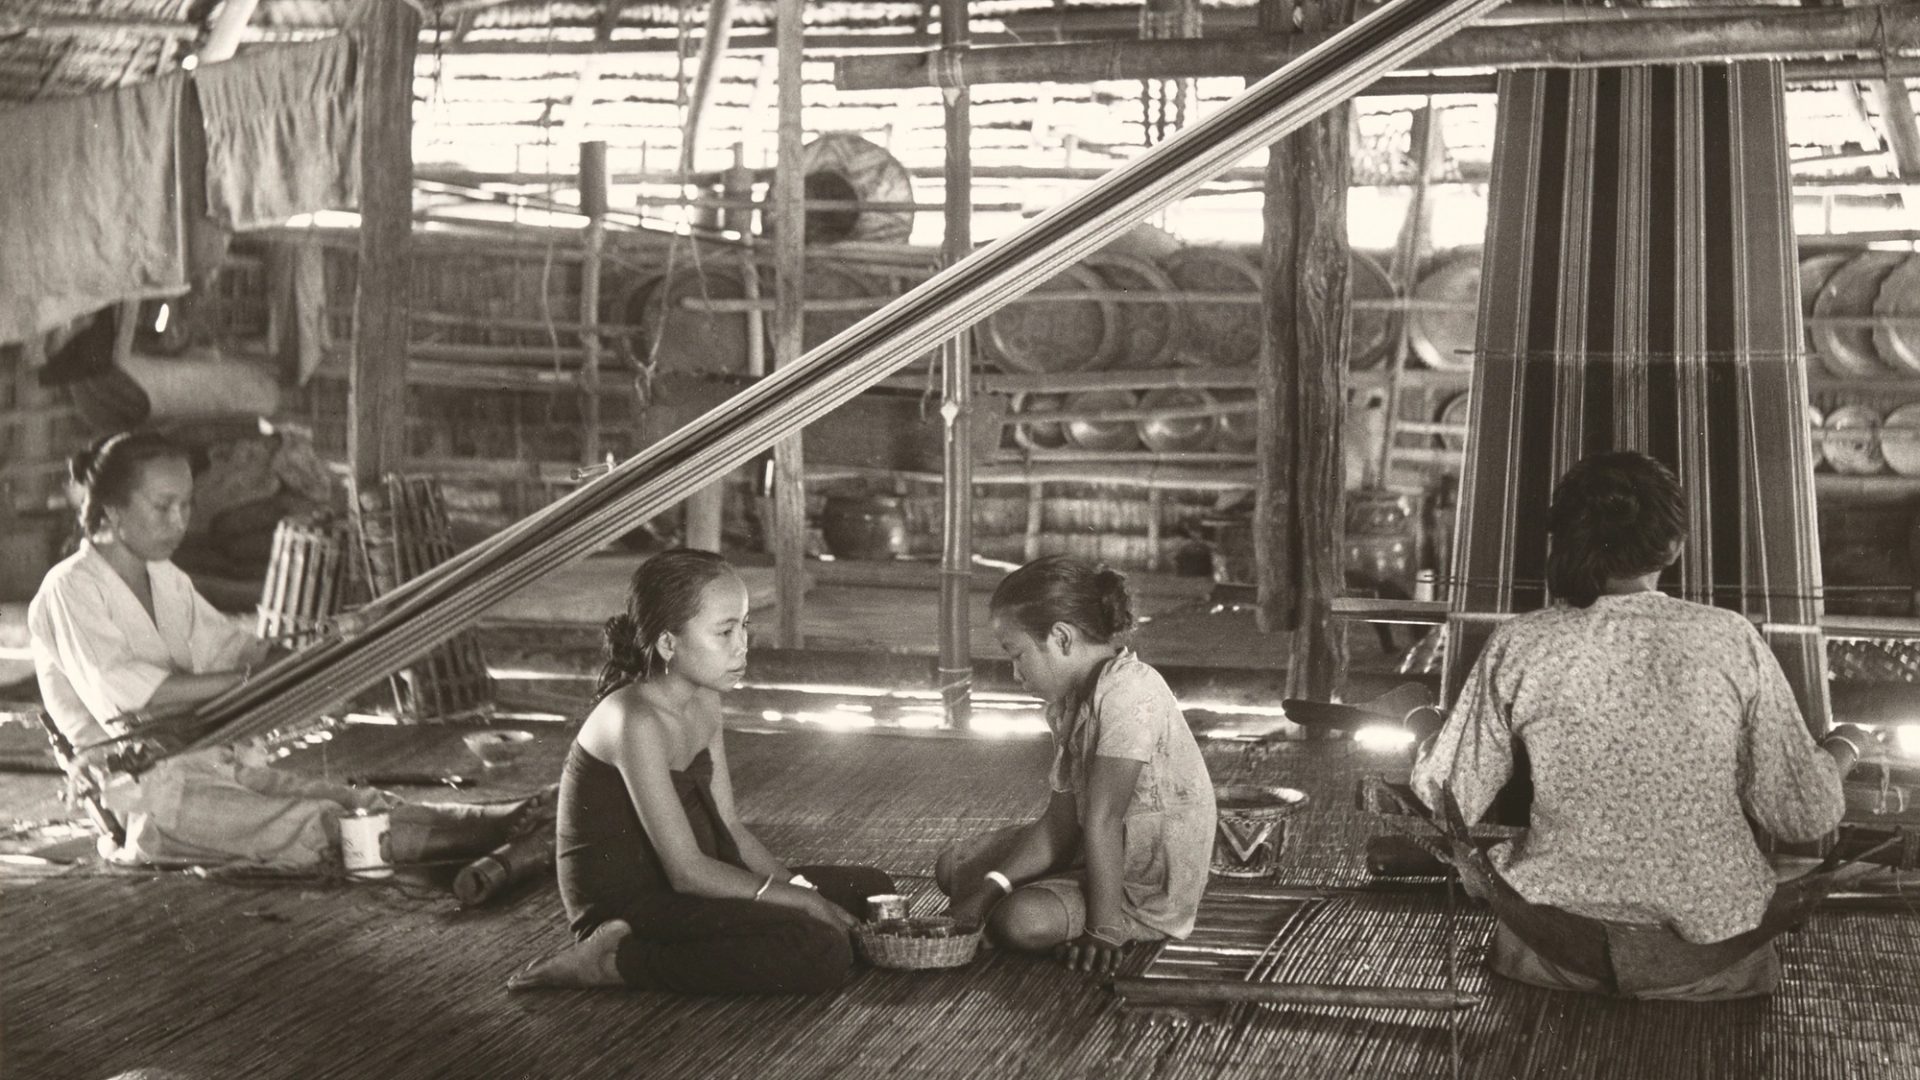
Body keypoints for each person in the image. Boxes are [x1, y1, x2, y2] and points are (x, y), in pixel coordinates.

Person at [1411, 450, 1868, 1000]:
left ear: (1565, 538)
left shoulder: (1522, 643)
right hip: (1712, 955)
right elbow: (1802, 813)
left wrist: (1424, 726)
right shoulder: (1730, 639)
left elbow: (1447, 795)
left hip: (1555, 948)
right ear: (1674, 547)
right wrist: (1847, 746)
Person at [29, 430, 537, 870]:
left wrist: (319, 650)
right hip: (143, 796)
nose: (179, 521)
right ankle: (484, 835)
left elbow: (233, 648)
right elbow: (132, 698)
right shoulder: (69, 589)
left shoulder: (165, 577)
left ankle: (493, 822)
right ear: (113, 512)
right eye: (163, 506)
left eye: (187, 505)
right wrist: (253, 680)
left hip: (202, 762)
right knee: (307, 823)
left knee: (344, 799)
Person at [508, 549, 895, 995]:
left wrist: (801, 888)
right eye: (725, 631)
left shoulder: (704, 701)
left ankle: (784, 923)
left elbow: (729, 827)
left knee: (871, 891)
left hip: (700, 879)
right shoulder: (635, 718)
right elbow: (686, 872)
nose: (742, 646)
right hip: (633, 908)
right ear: (669, 643)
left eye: (744, 626)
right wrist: (803, 903)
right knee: (817, 947)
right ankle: (615, 963)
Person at [936, 556, 1215, 973]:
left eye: (1017, 654)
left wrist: (1103, 930)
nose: (1016, 673)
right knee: (952, 868)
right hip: (1094, 846)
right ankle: (1039, 895)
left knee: (1019, 921)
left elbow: (1104, 818)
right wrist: (990, 890)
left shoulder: (1130, 692)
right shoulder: (1068, 704)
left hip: (1144, 879)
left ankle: (1098, 912)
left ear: (1062, 638)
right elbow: (1060, 823)